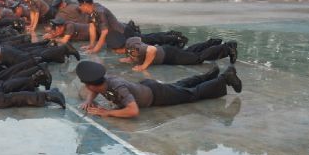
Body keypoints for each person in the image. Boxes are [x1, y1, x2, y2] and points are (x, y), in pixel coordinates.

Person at [75, 61, 242, 118]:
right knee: (180, 85)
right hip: (148, 87)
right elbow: (95, 90)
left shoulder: (117, 87)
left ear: (91, 83)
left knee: (191, 94)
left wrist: (107, 113)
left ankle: (224, 78)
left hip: (157, 96)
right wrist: (89, 100)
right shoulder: (100, 83)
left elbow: (133, 111)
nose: (87, 87)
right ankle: (209, 75)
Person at [106, 33, 237, 71]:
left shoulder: (133, 46)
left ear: (119, 47)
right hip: (167, 51)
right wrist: (130, 58)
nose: (115, 52)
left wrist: (143, 66)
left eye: (115, 50)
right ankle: (212, 43)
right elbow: (137, 50)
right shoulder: (130, 43)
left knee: (197, 58)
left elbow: (151, 50)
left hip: (169, 56)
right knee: (190, 52)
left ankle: (227, 48)